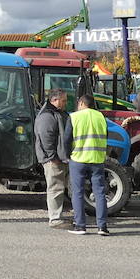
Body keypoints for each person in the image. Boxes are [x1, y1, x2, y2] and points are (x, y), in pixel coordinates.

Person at [68, 94, 111, 236]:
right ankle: (102, 227)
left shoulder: (74, 117)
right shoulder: (101, 117)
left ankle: (80, 226)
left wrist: (67, 155)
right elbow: (106, 136)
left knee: (78, 193)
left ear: (81, 103)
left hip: (78, 159)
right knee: (99, 193)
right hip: (97, 160)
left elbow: (67, 139)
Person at [34, 88, 72, 228]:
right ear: (54, 100)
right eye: (63, 100)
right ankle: (55, 219)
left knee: (58, 187)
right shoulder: (47, 116)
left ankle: (57, 216)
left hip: (58, 157)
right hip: (53, 159)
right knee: (55, 188)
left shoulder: (55, 113)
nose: (65, 103)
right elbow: (46, 137)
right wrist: (52, 157)